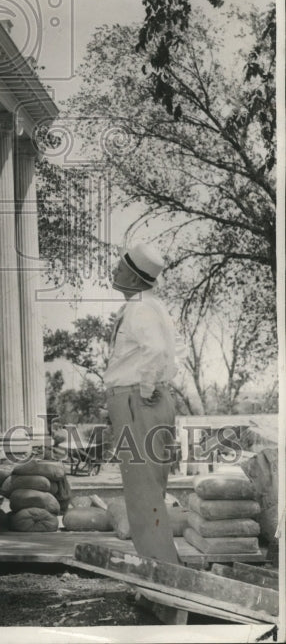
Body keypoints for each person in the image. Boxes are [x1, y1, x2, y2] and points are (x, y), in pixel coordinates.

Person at [104, 241, 182, 563]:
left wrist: (145, 392)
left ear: (135, 278)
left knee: (142, 493)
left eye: (121, 267)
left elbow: (156, 352)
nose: (115, 271)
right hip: (145, 398)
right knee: (150, 491)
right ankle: (166, 570)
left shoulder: (140, 309)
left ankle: (163, 575)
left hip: (140, 399)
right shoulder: (150, 306)